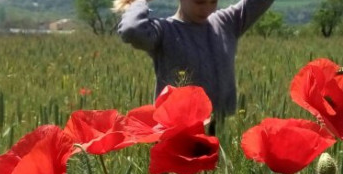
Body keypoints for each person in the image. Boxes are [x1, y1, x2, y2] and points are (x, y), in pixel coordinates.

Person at [115, 0, 274, 135]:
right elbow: (131, 30)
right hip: (177, 131)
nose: (207, 9)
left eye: (213, 1)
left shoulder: (226, 22)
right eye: (199, 1)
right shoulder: (164, 31)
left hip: (219, 126)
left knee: (217, 172)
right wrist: (139, 2)